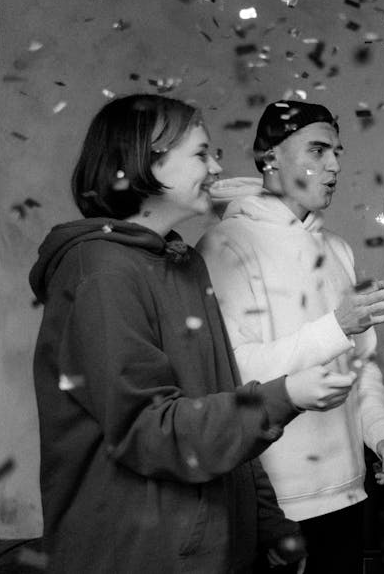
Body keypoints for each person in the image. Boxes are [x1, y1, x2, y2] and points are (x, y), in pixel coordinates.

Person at [30, 94, 355, 573]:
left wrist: (269, 523)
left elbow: (219, 396)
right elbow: (150, 429)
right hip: (133, 554)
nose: (218, 165)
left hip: (209, 550)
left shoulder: (184, 265)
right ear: (149, 163)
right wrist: (286, 394)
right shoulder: (100, 274)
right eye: (202, 154)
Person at [197, 100, 384, 574]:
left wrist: (381, 432)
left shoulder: (337, 248)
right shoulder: (224, 245)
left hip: (349, 488)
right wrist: (337, 326)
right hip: (274, 500)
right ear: (270, 156)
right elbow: (232, 372)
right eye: (317, 149)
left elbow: (363, 363)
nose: (334, 165)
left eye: (337, 151)